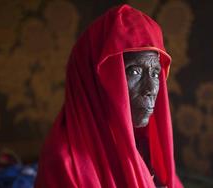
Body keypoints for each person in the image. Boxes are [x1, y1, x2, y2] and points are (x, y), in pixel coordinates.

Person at [35, 4, 183, 188]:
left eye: (155, 73)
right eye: (135, 72)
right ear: (92, 80)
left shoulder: (146, 147)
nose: (151, 89)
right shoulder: (66, 164)